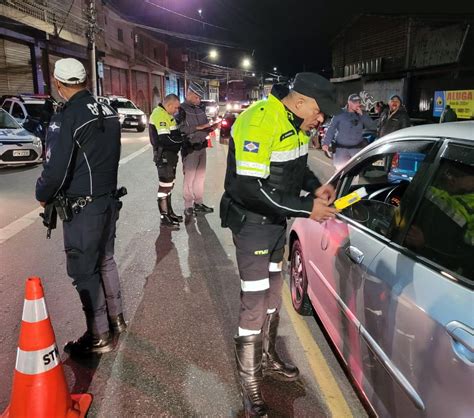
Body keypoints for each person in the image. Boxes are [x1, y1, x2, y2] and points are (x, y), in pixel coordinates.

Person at [220, 72, 339, 417]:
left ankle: (267, 357)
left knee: (274, 296)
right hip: (253, 225)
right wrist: (307, 208)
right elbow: (249, 189)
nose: (321, 119)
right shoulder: (258, 121)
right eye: (319, 112)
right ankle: (250, 383)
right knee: (255, 301)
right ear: (300, 101)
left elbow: (296, 169)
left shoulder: (297, 125)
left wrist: (316, 186)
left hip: (275, 224)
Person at [35, 58, 126, 356]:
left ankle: (99, 336)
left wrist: (42, 193)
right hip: (108, 200)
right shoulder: (107, 109)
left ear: (59, 84)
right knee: (106, 260)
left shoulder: (68, 115)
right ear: (86, 80)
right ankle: (117, 320)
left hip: (84, 208)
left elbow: (56, 169)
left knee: (84, 270)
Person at [179, 82, 220, 220]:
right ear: (189, 94)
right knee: (189, 178)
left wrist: (213, 127)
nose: (199, 100)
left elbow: (205, 127)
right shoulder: (181, 110)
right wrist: (198, 127)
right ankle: (188, 206)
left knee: (200, 178)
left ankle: (199, 203)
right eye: (197, 97)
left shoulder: (199, 109)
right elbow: (180, 130)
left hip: (202, 147)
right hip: (190, 149)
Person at [149, 94, 184, 226]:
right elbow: (164, 139)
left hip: (171, 156)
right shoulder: (159, 115)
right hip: (163, 155)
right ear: (169, 105)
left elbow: (175, 134)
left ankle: (169, 213)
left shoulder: (168, 115)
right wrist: (181, 141)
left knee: (170, 185)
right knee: (164, 186)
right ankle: (164, 216)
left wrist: (180, 137)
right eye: (175, 108)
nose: (176, 110)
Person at [322, 93, 377, 170]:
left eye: (358, 102)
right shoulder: (339, 113)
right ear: (349, 102)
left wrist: (362, 115)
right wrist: (326, 143)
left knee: (355, 173)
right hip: (341, 150)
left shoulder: (362, 114)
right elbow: (331, 128)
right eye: (354, 102)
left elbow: (372, 126)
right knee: (340, 172)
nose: (357, 104)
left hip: (356, 150)